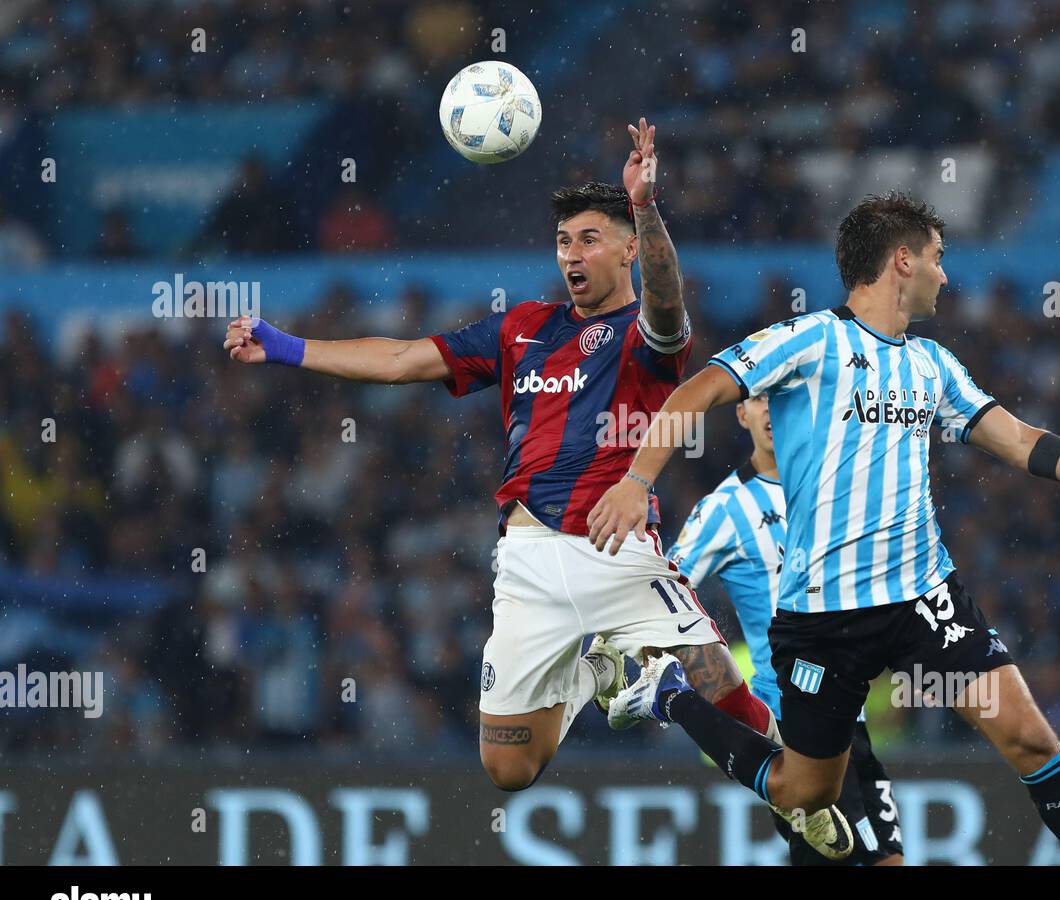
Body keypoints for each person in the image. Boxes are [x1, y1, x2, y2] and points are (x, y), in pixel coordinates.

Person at [224, 119, 853, 858]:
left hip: (616, 551)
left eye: (589, 238)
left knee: (731, 699)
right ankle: (607, 674)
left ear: (624, 248)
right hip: (524, 564)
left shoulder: (646, 337)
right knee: (509, 767)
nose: (572, 254)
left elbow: (670, 304)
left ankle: (767, 774)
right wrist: (288, 347)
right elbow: (400, 358)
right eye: (563, 241)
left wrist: (645, 208)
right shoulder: (521, 328)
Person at [589, 191, 1060, 866]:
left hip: (924, 595)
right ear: (903, 260)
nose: (945, 276)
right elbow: (697, 391)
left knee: (1031, 739)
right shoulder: (808, 340)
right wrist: (636, 482)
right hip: (821, 616)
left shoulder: (933, 364)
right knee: (805, 796)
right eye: (937, 258)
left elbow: (1017, 441)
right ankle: (671, 697)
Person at [668, 390, 903, 865]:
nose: (774, 413)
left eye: (786, 399)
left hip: (849, 718)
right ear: (742, 413)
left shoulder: (839, 490)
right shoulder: (726, 509)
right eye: (761, 400)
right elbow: (664, 585)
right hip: (792, 728)